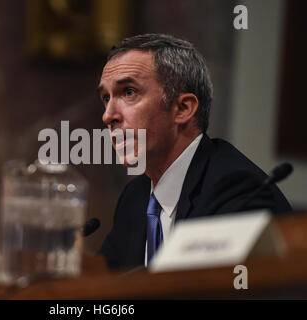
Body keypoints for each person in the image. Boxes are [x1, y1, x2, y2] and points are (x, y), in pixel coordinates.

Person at [97, 33, 292, 270]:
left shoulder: (238, 190)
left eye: (128, 92)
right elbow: (104, 280)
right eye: (106, 98)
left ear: (183, 108)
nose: (108, 115)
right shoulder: (136, 197)